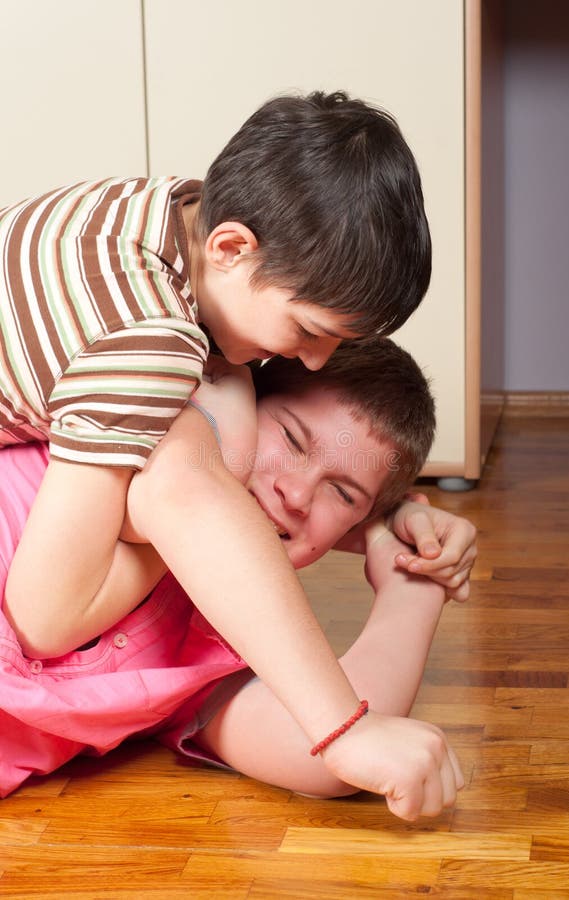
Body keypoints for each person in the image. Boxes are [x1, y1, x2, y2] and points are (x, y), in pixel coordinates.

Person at [0, 91, 456, 819]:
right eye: (307, 330)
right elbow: (48, 614)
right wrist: (343, 726)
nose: (306, 361)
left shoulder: (170, 215)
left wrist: (393, 542)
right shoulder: (153, 347)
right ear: (231, 248)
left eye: (343, 495)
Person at [0, 340, 475, 811]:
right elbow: (185, 497)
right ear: (242, 406)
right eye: (290, 439)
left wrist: (413, 582)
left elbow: (323, 760)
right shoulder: (137, 450)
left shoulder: (229, 638)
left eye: (343, 495)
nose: (295, 493)